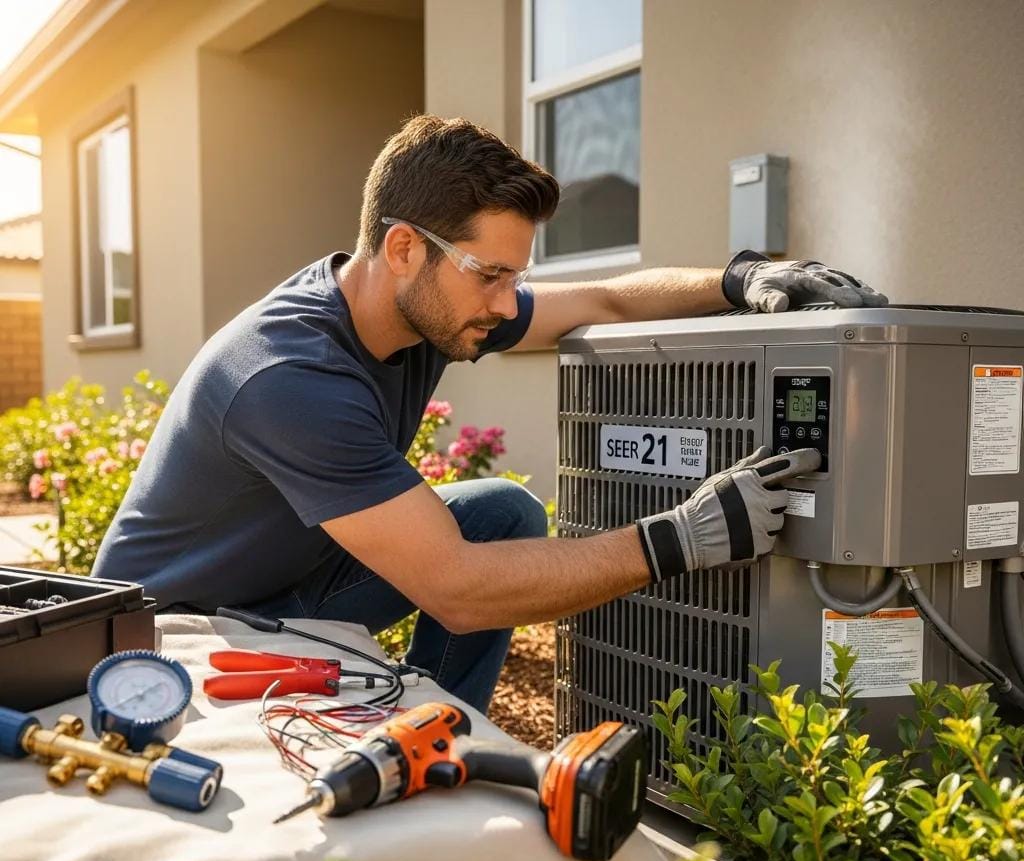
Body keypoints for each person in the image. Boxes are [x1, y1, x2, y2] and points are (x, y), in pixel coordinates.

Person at [92, 115, 887, 715]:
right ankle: (415, 742)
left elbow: (605, 301)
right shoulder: (289, 376)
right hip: (181, 631)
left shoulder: (415, 305)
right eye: (491, 275)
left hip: (292, 582)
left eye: (515, 278)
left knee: (501, 512)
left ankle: (439, 726)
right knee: (471, 563)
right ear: (404, 248)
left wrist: (741, 280)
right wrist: (681, 537)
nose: (508, 305)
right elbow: (459, 590)